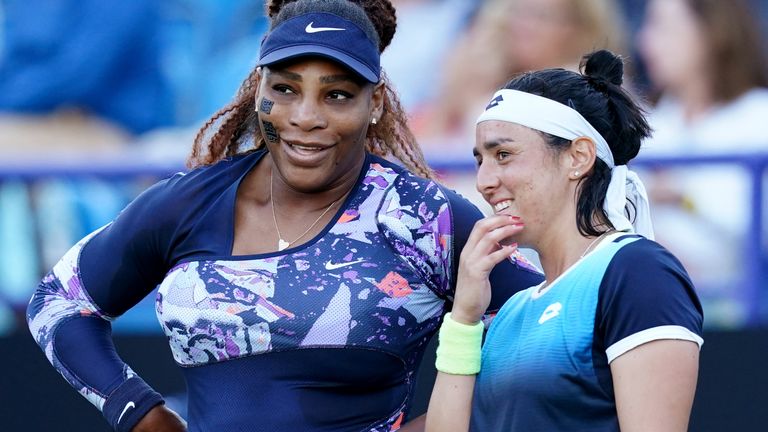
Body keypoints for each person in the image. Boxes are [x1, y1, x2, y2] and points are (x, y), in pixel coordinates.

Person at [25, 0, 543, 431]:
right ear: (259, 91)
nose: (305, 118)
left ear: (376, 103)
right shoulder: (189, 202)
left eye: (337, 95)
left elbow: (548, 329)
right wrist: (139, 412)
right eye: (286, 89)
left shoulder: (424, 217)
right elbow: (60, 304)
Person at [424, 50, 704, 431]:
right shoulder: (508, 311)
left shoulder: (637, 271)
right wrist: (464, 319)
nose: (484, 182)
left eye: (503, 154)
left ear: (579, 157)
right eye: (480, 161)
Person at [636, 0, 768, 323]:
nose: (644, 42)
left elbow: (759, 232)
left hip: (743, 321)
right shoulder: (647, 124)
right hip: (652, 304)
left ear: (713, 33)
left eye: (663, 26)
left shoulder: (759, 117)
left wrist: (684, 199)